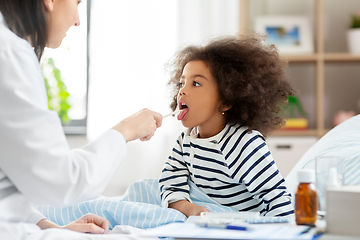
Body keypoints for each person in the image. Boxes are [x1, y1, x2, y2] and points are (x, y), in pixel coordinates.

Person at [0, 0, 162, 235]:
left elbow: (9, 183)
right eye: (77, 3)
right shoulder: (10, 53)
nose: (77, 20)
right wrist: (125, 131)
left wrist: (55, 228)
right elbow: (60, 182)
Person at [159, 35, 296, 217]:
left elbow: (278, 200)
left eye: (196, 83)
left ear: (225, 100)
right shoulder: (185, 142)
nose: (182, 90)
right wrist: (186, 208)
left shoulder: (244, 144)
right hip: (205, 221)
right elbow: (170, 181)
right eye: (182, 83)